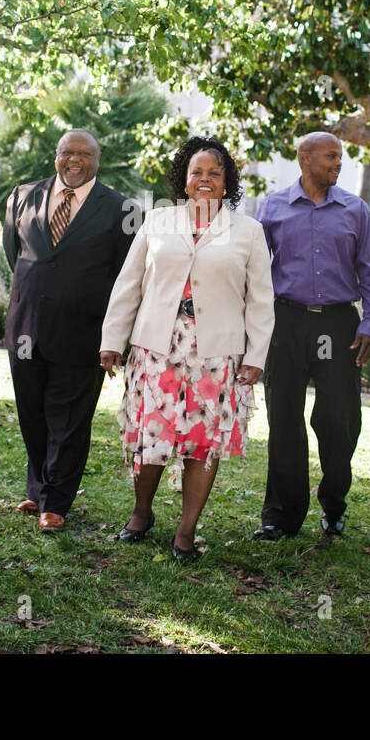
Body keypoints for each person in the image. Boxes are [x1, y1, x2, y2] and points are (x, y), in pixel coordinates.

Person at [100, 136, 274, 559]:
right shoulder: (158, 221)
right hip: (157, 346)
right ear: (184, 176)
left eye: (215, 173)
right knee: (151, 433)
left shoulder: (248, 231)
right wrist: (111, 340)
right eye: (197, 171)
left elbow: (261, 300)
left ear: (227, 181)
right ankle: (141, 513)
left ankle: (186, 530)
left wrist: (255, 357)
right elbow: (129, 284)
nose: (205, 179)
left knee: (203, 440)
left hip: (216, 354)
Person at [252, 132, 370, 540]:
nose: (338, 163)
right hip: (286, 323)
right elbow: (255, 274)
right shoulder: (272, 208)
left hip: (338, 326)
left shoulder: (354, 209)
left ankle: (334, 501)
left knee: (339, 420)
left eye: (340, 157)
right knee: (284, 419)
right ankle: (281, 515)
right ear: (304, 158)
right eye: (330, 156)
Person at [3, 129, 134, 532]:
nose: (74, 160)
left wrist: (115, 337)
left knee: (71, 420)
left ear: (98, 159)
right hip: (27, 327)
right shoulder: (22, 195)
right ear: (55, 156)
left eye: (84, 154)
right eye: (67, 152)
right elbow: (14, 253)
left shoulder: (120, 207)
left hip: (84, 334)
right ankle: (38, 487)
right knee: (33, 413)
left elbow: (126, 276)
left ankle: (56, 502)